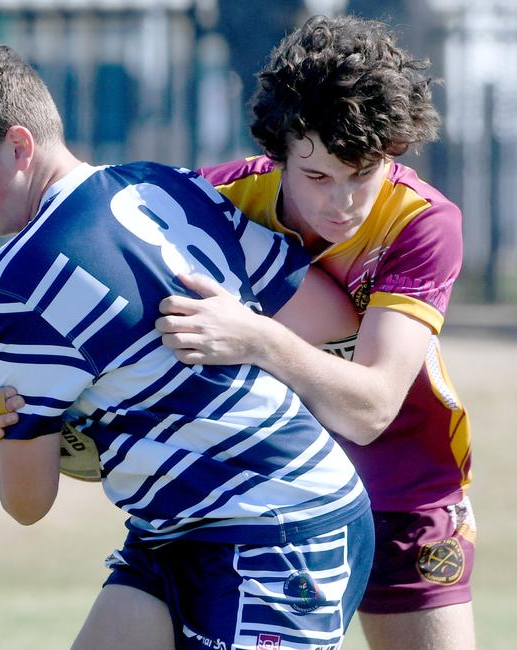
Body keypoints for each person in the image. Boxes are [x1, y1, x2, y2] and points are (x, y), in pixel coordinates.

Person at [0, 43, 374, 650]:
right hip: (196, 523)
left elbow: (26, 499)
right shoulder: (160, 185)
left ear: (19, 147)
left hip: (273, 534)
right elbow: (332, 317)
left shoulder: (25, 279)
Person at [155, 15, 476, 650]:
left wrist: (253, 338)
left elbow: (373, 409)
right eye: (317, 177)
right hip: (270, 494)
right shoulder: (220, 200)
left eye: (364, 174)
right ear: (277, 154)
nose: (344, 203)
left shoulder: (422, 223)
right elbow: (94, 243)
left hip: (404, 488)